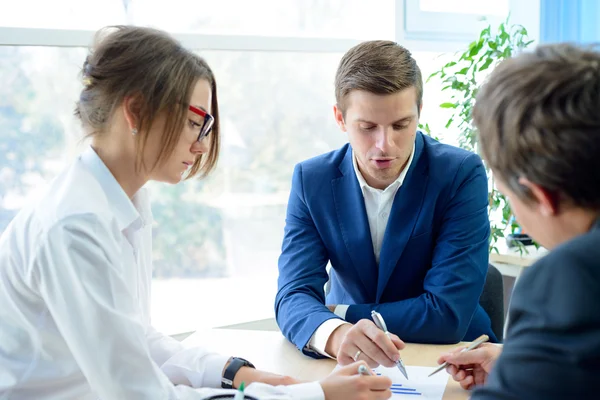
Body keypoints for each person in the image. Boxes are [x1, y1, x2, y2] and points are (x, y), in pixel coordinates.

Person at [0, 26, 393, 400]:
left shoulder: (121, 202)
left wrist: (236, 372)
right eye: (194, 123)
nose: (203, 146)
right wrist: (314, 393)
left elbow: (137, 338)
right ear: (135, 111)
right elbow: (141, 394)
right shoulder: (75, 225)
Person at [275, 39, 496, 369]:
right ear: (340, 118)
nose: (384, 145)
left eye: (400, 125)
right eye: (367, 128)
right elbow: (293, 295)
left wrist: (339, 314)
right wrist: (335, 334)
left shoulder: (460, 174)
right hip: (350, 355)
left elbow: (447, 314)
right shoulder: (312, 180)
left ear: (419, 113)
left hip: (453, 359)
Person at [437, 43, 600, 399]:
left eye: (510, 199)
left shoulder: (571, 275)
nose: (522, 227)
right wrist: (524, 363)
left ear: (542, 197)